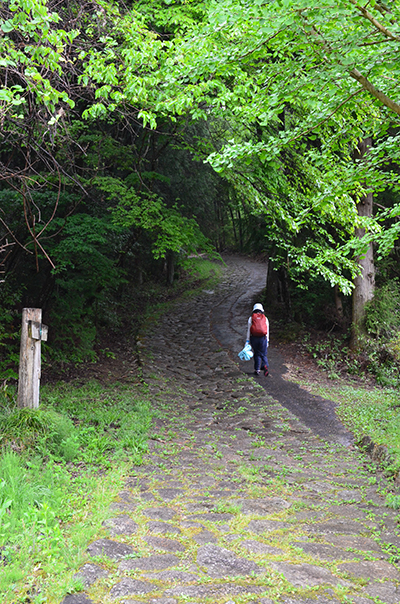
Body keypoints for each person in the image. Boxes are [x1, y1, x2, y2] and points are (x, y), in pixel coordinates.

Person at [246, 303, 269, 376]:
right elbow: (267, 330)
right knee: (263, 354)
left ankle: (257, 369)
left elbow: (249, 330)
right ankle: (265, 365)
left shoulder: (251, 318)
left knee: (256, 353)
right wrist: (267, 340)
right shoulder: (265, 318)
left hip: (254, 338)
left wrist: (247, 341)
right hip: (263, 338)